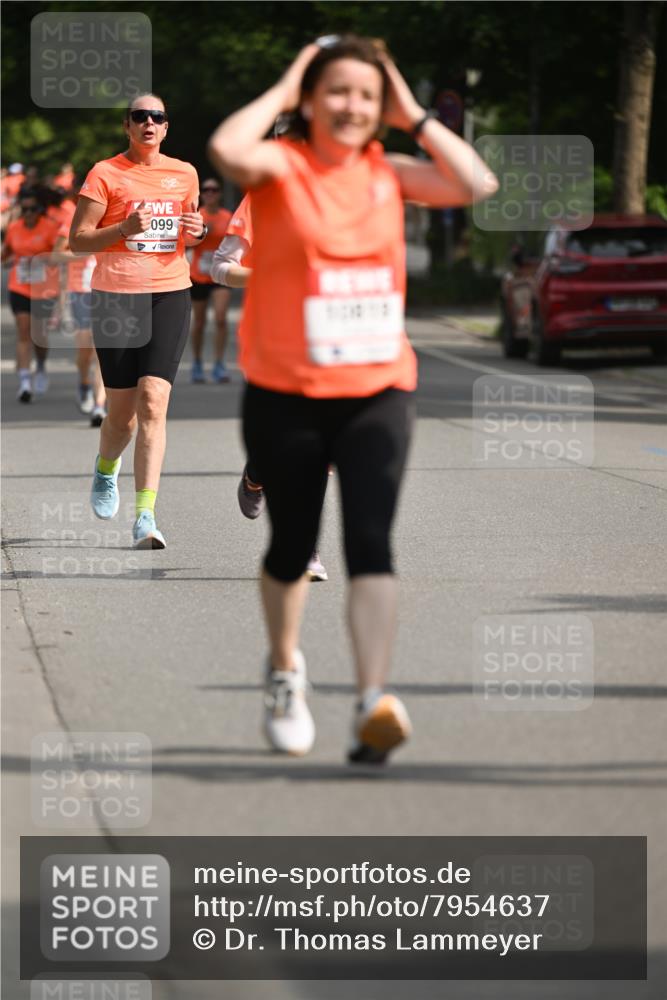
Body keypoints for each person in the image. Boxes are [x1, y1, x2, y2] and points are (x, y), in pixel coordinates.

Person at [208, 35, 498, 762]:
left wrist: (412, 112)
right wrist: (283, 89)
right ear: (310, 99)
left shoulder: (388, 170)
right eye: (336, 91)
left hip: (377, 388)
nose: (352, 106)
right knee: (291, 545)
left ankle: (371, 701)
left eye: (366, 96)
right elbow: (227, 145)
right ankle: (284, 671)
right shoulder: (280, 168)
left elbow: (475, 184)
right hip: (286, 390)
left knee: (370, 543)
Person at [69, 93, 205, 548]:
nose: (149, 123)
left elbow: (190, 226)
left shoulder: (184, 173)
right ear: (127, 126)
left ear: (166, 128)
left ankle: (145, 515)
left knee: (153, 402)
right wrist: (123, 230)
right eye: (140, 117)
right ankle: (106, 468)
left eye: (158, 117)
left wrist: (198, 231)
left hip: (169, 294)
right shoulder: (105, 173)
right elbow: (79, 241)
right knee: (122, 417)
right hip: (116, 299)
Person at [211, 193, 329, 582]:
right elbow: (220, 267)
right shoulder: (261, 199)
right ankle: (256, 473)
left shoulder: (350, 188)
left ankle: (307, 550)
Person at [52, 180, 107, 425]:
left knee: (101, 350)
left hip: (107, 289)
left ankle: (99, 405)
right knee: (85, 351)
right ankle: (84, 382)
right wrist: (81, 250)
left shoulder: (113, 217)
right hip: (81, 291)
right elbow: (55, 256)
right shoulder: (72, 220)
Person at [1, 187, 60, 401]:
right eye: (24, 209)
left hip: (44, 288)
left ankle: (41, 366)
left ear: (40, 210)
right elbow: (6, 253)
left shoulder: (50, 228)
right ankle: (25, 382)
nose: (28, 213)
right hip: (19, 286)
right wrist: (6, 259)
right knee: (24, 331)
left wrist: (46, 259)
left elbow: (59, 255)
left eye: (32, 209)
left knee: (39, 335)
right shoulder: (14, 228)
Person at [189, 178, 233, 383]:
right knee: (199, 322)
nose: (210, 193)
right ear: (201, 194)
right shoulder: (197, 216)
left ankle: (219, 363)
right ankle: (197, 362)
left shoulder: (228, 217)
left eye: (214, 190)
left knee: (221, 319)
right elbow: (186, 242)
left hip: (220, 273)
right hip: (198, 274)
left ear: (220, 193)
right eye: (206, 190)